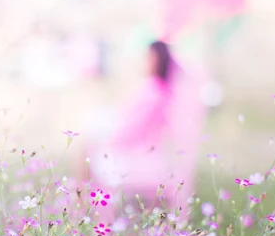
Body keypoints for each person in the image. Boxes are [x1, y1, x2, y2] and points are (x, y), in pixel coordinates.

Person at [85, 41, 207, 219]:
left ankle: (91, 215)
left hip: (138, 157)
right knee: (91, 151)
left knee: (89, 156)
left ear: (158, 61)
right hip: (151, 154)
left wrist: (109, 142)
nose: (145, 62)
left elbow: (131, 129)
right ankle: (86, 211)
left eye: (150, 58)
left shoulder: (151, 91)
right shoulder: (165, 91)